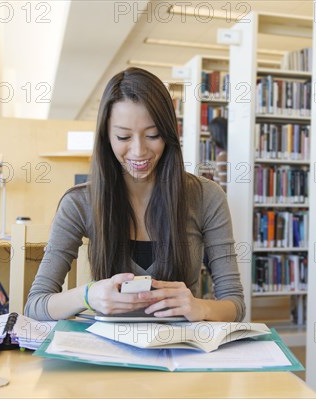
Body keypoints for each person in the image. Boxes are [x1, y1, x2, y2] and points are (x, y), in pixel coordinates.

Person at [24, 68, 245, 322]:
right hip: (108, 354)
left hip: (181, 352)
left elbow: (235, 304)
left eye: (153, 135)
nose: (139, 151)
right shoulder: (79, 203)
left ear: (169, 134)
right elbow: (36, 305)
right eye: (123, 136)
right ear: (106, 137)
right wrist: (87, 295)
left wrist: (201, 308)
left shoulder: (207, 196)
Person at [208, 116, 228, 192]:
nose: (210, 138)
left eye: (211, 134)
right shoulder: (228, 154)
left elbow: (224, 189)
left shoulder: (223, 157)